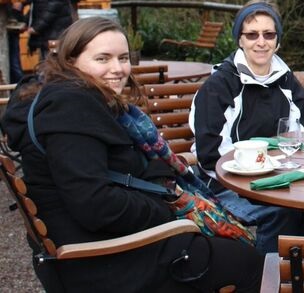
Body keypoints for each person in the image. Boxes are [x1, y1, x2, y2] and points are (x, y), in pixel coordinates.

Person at [1, 17, 263, 292]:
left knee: (233, 249)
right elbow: (95, 205)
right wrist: (170, 212)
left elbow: (102, 175)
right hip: (99, 260)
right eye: (103, 59)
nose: (117, 69)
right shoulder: (70, 109)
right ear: (71, 60)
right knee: (249, 263)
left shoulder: (67, 98)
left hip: (94, 244)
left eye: (123, 58)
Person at [190, 0, 304, 254]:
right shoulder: (219, 86)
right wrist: (260, 171)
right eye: (252, 34)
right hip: (226, 184)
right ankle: (264, 275)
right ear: (240, 40)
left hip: (279, 175)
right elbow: (209, 156)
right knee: (278, 212)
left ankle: (294, 261)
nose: (261, 41)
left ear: (277, 40)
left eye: (269, 34)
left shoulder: (286, 79)